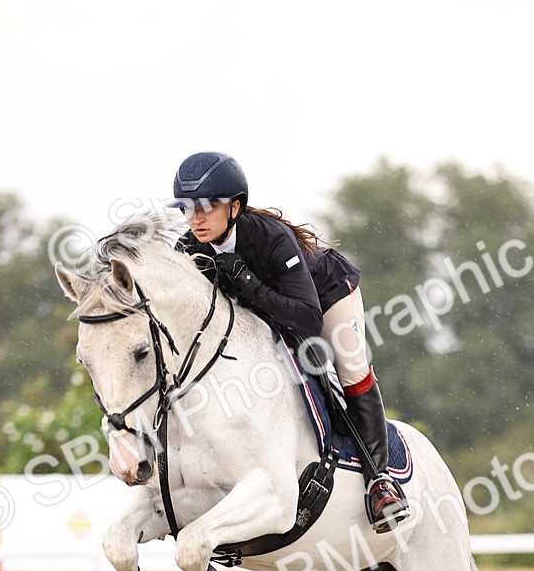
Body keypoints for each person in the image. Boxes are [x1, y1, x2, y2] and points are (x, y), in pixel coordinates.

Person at [170, 151, 409, 531]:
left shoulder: (271, 238)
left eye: (206, 207)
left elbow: (307, 319)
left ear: (234, 207)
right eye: (186, 208)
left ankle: (381, 483)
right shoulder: (188, 250)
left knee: (351, 367)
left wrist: (247, 280)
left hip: (326, 296)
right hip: (267, 316)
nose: (194, 219)